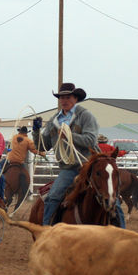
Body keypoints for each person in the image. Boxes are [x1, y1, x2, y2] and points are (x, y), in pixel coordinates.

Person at [32, 82, 125, 227]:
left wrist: (69, 136)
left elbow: (90, 139)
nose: (64, 100)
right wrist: (36, 131)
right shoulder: (54, 121)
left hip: (90, 166)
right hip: (68, 168)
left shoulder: (85, 116)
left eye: (68, 97)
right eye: (62, 98)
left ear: (75, 99)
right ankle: (46, 230)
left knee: (112, 197)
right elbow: (42, 146)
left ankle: (121, 234)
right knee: (53, 196)